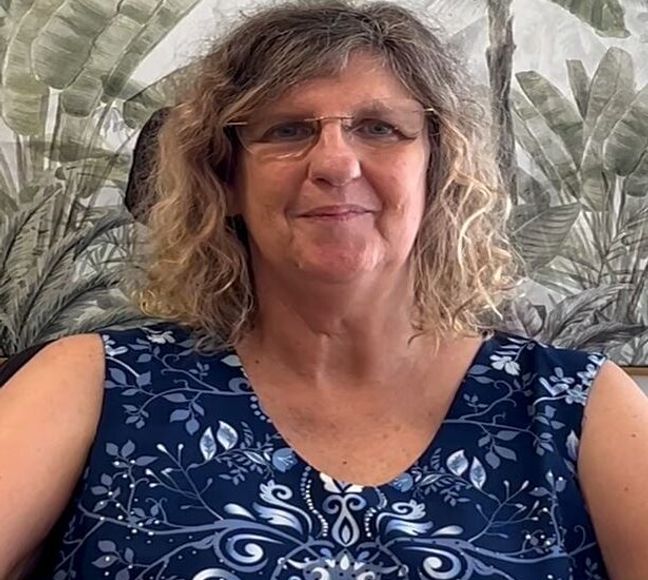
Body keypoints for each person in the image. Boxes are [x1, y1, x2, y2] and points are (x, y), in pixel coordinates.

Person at [1, 1, 647, 578]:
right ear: (225, 178)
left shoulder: (576, 408)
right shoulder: (93, 384)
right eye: (287, 130)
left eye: (380, 128)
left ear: (438, 171)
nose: (336, 162)